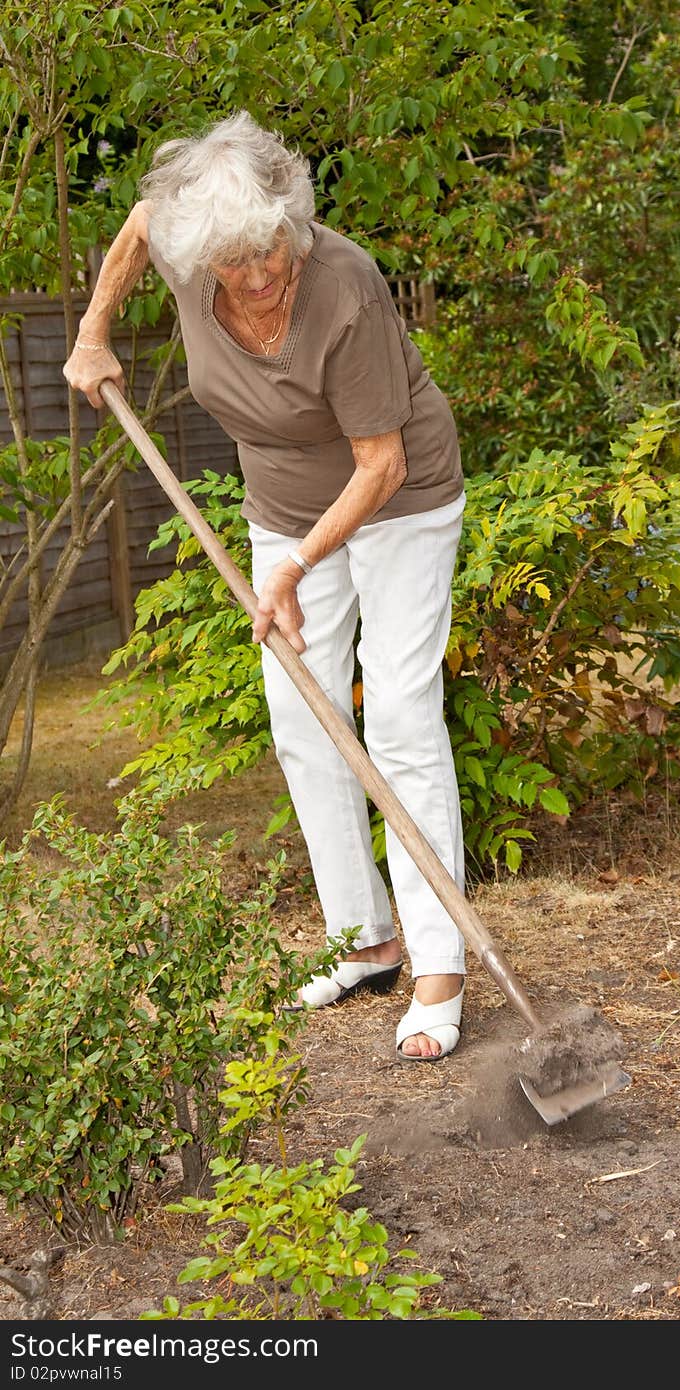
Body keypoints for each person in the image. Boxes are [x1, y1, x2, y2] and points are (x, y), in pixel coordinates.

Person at [63, 110, 467, 1060]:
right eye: (233, 262)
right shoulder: (188, 246)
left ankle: (441, 962)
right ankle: (362, 938)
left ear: (294, 222)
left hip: (397, 503)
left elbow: (381, 467)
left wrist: (293, 567)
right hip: (281, 506)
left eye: (269, 254)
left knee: (401, 713)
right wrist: (91, 331)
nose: (254, 276)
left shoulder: (346, 287)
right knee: (301, 713)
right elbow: (136, 224)